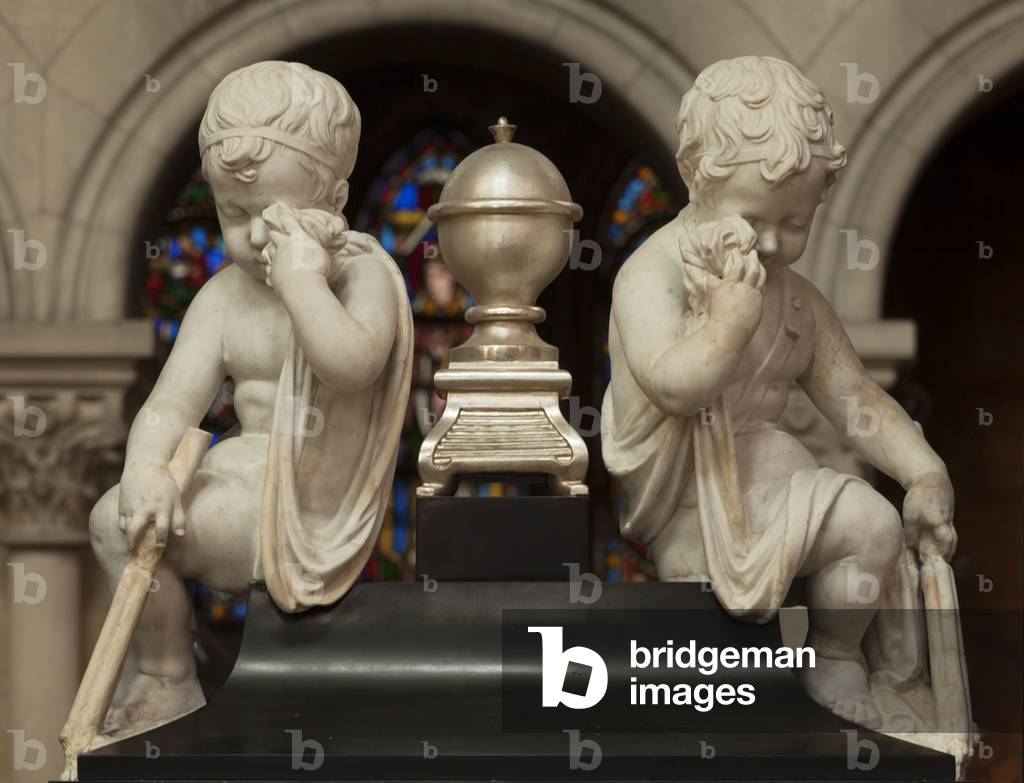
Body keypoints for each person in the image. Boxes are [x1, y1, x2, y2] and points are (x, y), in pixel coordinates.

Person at [602, 56, 958, 732]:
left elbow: (857, 398)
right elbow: (677, 386)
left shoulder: (798, 303)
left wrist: (923, 470)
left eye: (794, 224)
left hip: (769, 476)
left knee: (875, 526)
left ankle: (834, 653)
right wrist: (727, 324)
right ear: (695, 181)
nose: (771, 243)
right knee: (704, 619)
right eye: (754, 218)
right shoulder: (652, 275)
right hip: (688, 502)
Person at [88, 61, 413, 737]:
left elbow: (351, 365)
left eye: (276, 214)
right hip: (239, 481)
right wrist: (146, 467)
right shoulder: (222, 297)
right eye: (233, 214)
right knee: (114, 518)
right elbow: (170, 406)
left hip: (312, 506)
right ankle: (165, 675)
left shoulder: (361, 274)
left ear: (334, 196)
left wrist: (303, 285)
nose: (256, 234)